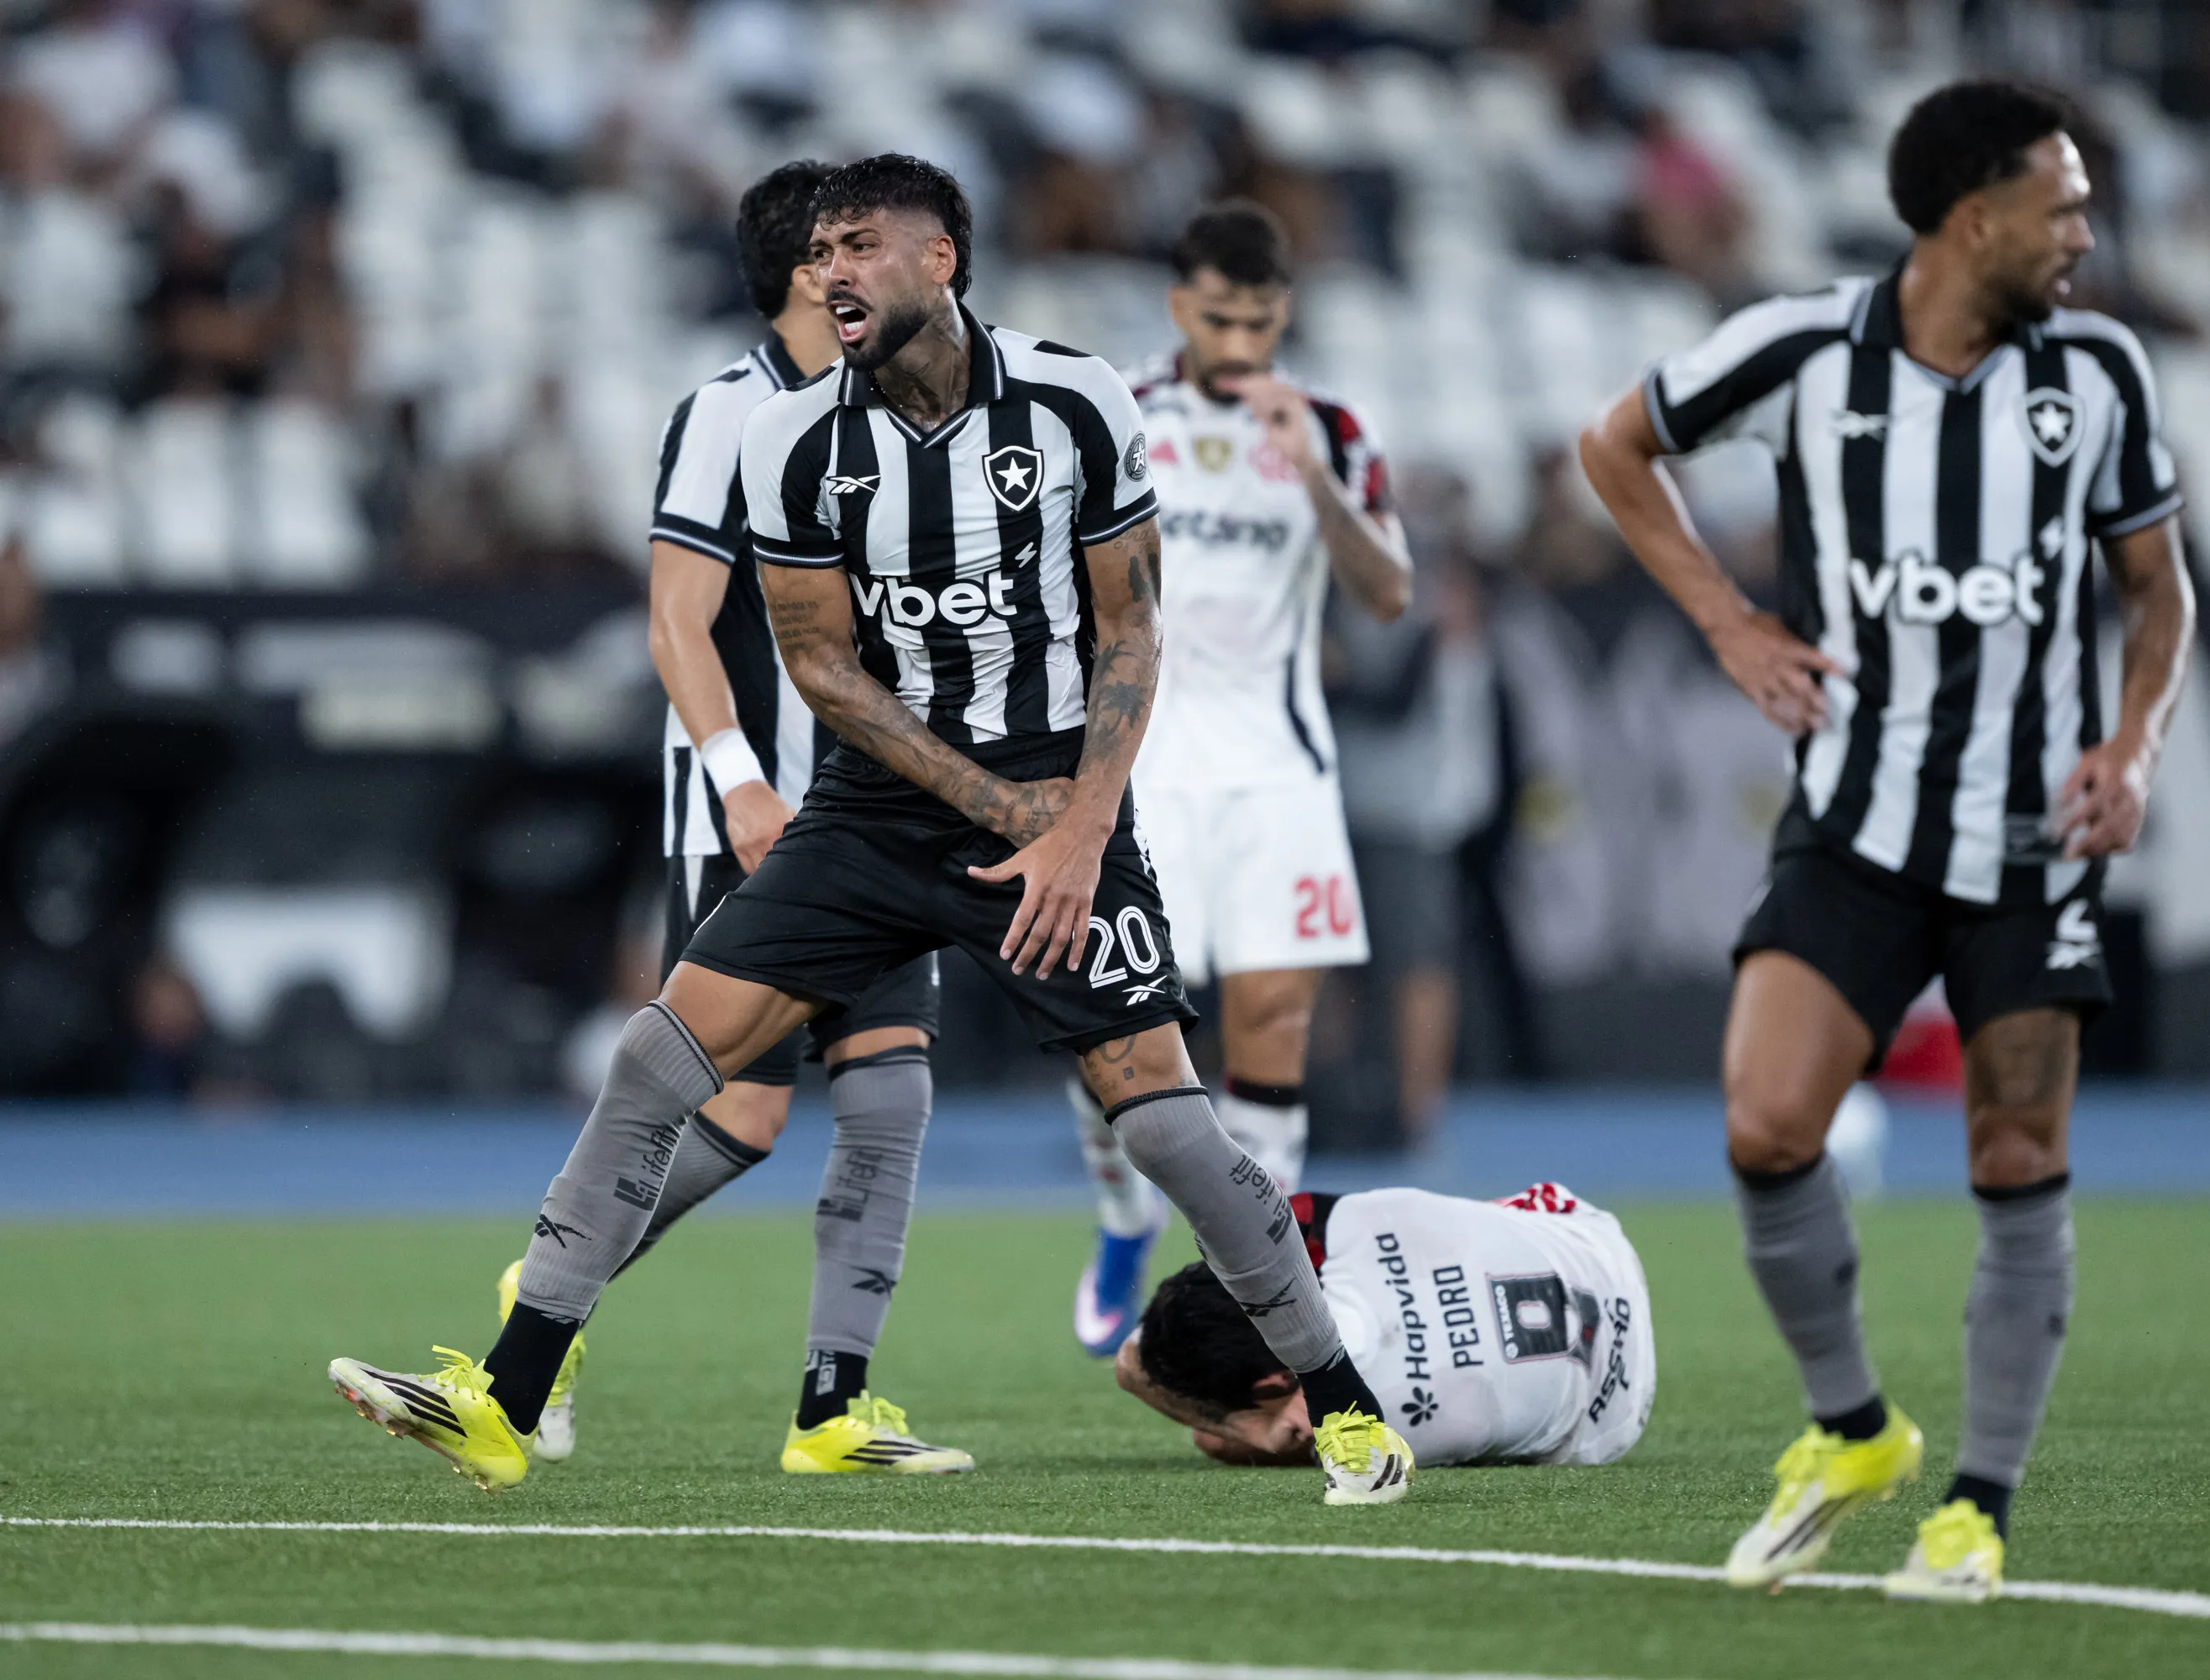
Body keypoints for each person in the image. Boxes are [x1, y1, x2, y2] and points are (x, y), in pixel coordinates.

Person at [329, 154, 1413, 1507]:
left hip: (1056, 801)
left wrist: (1075, 827)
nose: (832, 270)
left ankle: (1351, 1412)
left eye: (859, 244)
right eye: (820, 250)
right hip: (875, 811)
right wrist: (982, 803)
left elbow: (1134, 629)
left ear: (941, 258)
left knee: (1169, 1129)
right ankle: (509, 1395)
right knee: (658, 1059)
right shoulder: (794, 442)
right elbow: (824, 666)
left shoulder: (1078, 402)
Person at [1577, 81, 2194, 1604]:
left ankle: (1975, 1510)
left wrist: (2134, 747)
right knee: (1767, 1124)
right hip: (1854, 823)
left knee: (2015, 1151)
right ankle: (1854, 1429)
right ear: (1972, 217)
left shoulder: (2099, 372)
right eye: (2060, 205)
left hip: (2033, 838)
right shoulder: (1801, 350)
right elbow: (1614, 447)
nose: (2083, 232)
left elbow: (2158, 594)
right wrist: (1727, 619)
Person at [480, 160, 957, 1474]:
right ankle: (546, 1293)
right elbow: (675, 621)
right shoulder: (727, 412)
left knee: (888, 1098)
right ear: (806, 270)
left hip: (882, 815)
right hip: (756, 814)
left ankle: (833, 1406)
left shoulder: (902, 410)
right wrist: (741, 776)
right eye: (842, 244)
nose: (862, 264)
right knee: (741, 1114)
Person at [1070, 200, 1412, 1357]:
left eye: (1261, 321)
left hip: (1278, 774)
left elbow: (1388, 594)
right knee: (1116, 1029)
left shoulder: (1330, 426)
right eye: (1220, 319)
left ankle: (1255, 1300)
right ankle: (1124, 1215)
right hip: (1145, 767)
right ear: (1180, 308)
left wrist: (1311, 473)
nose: (1241, 343)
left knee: (1272, 1021)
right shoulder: (1119, 410)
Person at [1120, 1181, 1652, 1471]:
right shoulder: (1340, 1226)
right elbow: (1261, 1230)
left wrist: (1247, 1428)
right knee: (1443, 1226)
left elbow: (1134, 1373)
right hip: (1594, 1246)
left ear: (1273, 1383)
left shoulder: (1353, 1428)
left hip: (1609, 1425)